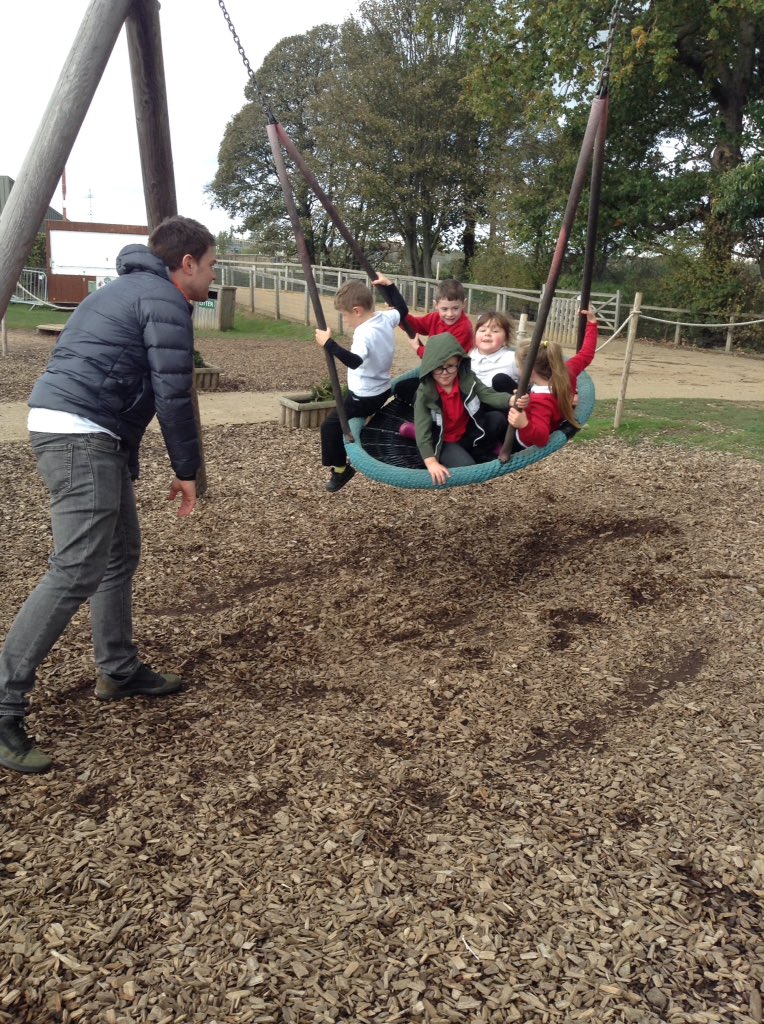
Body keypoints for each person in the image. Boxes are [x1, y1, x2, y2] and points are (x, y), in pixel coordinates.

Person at [0, 215, 216, 775]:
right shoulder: (165, 301)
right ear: (186, 263)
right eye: (211, 265)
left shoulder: (123, 290)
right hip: (81, 434)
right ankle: (3, 702)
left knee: (119, 553)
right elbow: (173, 393)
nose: (212, 276)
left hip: (84, 430)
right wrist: (187, 469)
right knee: (76, 567)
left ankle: (118, 670)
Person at [316, 277, 402, 492]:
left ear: (357, 311)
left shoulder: (364, 333)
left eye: (344, 315)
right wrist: (390, 286)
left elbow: (354, 361)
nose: (345, 321)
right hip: (383, 390)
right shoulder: (385, 317)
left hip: (364, 398)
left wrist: (328, 343)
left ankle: (341, 470)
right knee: (343, 415)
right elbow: (403, 310)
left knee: (329, 427)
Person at [414, 332, 516, 486]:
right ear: (430, 367)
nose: (445, 373)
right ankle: (412, 432)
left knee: (498, 418)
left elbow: (487, 394)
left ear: (459, 363)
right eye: (438, 368)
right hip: (445, 441)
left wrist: (510, 400)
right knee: (468, 467)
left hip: (468, 432)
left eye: (450, 366)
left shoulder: (467, 379)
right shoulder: (425, 393)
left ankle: (481, 450)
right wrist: (431, 462)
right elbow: (423, 431)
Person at [508, 307, 598, 450]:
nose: (517, 370)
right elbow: (586, 354)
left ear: (530, 371)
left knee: (495, 419)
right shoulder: (567, 370)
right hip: (548, 416)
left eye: (518, 366)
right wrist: (592, 323)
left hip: (523, 441)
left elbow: (542, 439)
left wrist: (523, 423)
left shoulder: (541, 401)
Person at [403, 278, 474, 356]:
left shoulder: (464, 328)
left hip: (452, 363)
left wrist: (418, 348)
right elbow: (416, 324)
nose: (450, 314)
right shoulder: (434, 318)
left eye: (455, 308)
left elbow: (443, 355)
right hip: (436, 362)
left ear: (464, 303)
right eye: (444, 309)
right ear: (436, 305)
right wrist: (399, 314)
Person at [470, 311, 519, 394]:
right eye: (482, 330)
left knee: (500, 379)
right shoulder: (471, 355)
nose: (487, 333)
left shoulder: (512, 358)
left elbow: (534, 379)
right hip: (473, 399)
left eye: (495, 331)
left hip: (503, 400)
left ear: (505, 339)